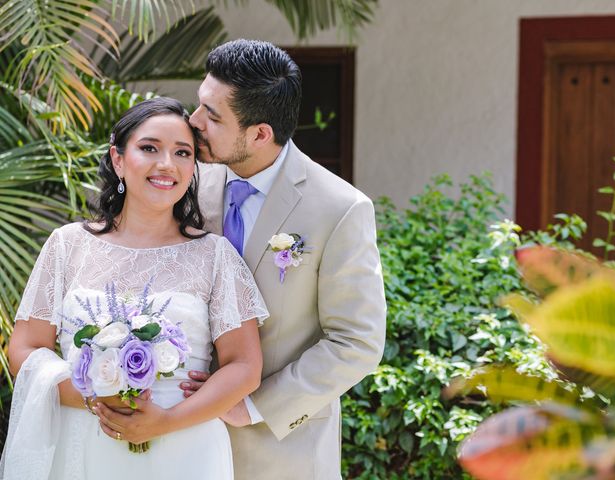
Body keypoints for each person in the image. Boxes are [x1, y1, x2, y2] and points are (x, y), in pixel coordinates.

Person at [0, 97, 268, 480]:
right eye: (149, 148)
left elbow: (244, 365)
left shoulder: (214, 255)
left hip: (185, 449)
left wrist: (166, 421)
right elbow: (24, 350)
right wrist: (96, 399)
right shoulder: (67, 245)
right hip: (83, 442)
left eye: (182, 153)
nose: (166, 164)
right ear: (118, 159)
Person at [184, 39, 387, 479]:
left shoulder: (341, 208)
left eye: (212, 115)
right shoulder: (187, 180)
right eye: (199, 104)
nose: (193, 121)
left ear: (259, 134)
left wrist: (253, 406)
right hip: (181, 442)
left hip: (281, 456)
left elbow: (358, 342)